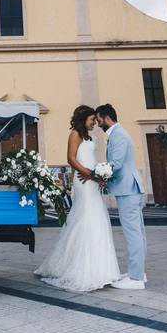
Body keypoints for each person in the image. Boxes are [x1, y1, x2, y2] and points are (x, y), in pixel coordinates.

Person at [34, 105, 121, 292]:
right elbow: (71, 159)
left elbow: (91, 157)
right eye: (92, 120)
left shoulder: (90, 137)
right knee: (89, 216)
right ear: (83, 120)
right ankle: (85, 267)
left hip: (92, 179)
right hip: (83, 181)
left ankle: (102, 269)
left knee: (96, 218)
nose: (95, 123)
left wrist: (100, 175)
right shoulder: (75, 134)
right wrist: (90, 173)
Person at [96, 103, 148, 290]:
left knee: (133, 232)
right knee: (138, 232)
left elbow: (115, 164)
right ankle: (139, 272)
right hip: (129, 189)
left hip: (128, 190)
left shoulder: (118, 136)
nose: (98, 123)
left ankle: (135, 279)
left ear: (107, 117)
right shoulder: (118, 134)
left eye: (99, 119)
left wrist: (99, 176)